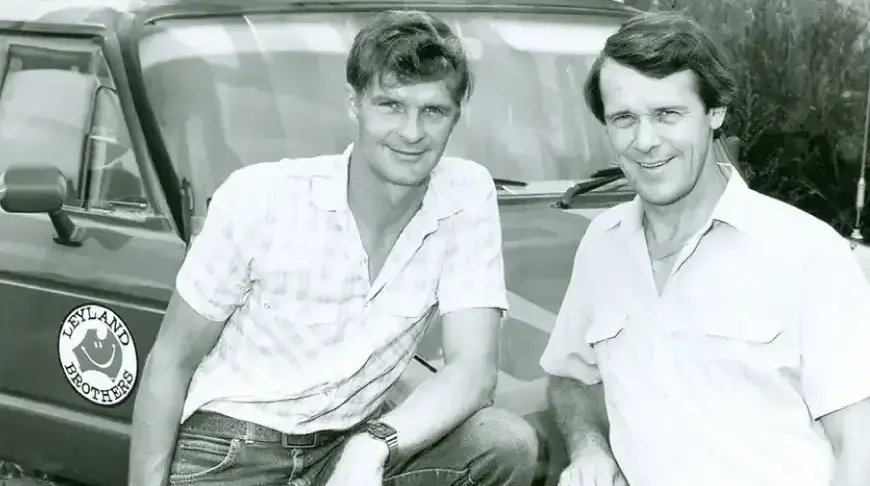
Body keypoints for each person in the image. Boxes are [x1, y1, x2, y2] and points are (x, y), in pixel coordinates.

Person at [128, 10, 538, 486]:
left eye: (433, 111)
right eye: (390, 105)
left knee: (502, 443)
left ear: (456, 116)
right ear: (354, 103)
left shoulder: (465, 195)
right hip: (234, 448)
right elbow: (170, 361)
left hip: (347, 446)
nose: (411, 132)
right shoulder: (260, 198)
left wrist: (375, 444)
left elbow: (472, 371)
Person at [540, 11, 870, 486]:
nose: (645, 141)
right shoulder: (602, 244)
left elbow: (858, 441)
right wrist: (590, 448)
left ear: (716, 113)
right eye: (624, 119)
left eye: (667, 114)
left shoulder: (806, 252)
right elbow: (570, 376)